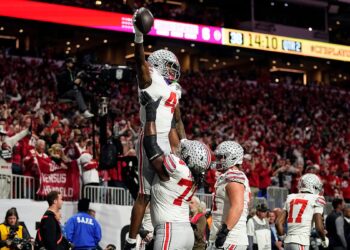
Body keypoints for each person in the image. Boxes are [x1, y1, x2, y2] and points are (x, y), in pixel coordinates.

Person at [124, 8, 186, 249]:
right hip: (148, 137)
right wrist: (138, 36)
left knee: (165, 191)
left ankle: (152, 232)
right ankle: (131, 240)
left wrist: (184, 143)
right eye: (169, 65)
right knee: (145, 193)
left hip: (166, 143)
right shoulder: (150, 78)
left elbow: (177, 120)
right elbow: (139, 60)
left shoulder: (174, 90)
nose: (173, 69)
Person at [127, 91, 211, 249]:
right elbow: (175, 143)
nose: (182, 150)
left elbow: (151, 146)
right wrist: (169, 110)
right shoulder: (194, 176)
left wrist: (151, 114)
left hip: (170, 231)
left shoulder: (178, 168)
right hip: (185, 232)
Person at [207, 141, 250, 250]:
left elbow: (238, 206)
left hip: (230, 239)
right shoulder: (226, 175)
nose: (218, 160)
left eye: (221, 157)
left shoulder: (234, 175)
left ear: (232, 157)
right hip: (224, 239)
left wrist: (224, 232)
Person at [276, 173, 329, 250]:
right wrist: (324, 240)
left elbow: (278, 223)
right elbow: (319, 227)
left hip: (288, 242)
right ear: (312, 186)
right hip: (301, 241)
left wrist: (283, 239)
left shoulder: (291, 197)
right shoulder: (316, 198)